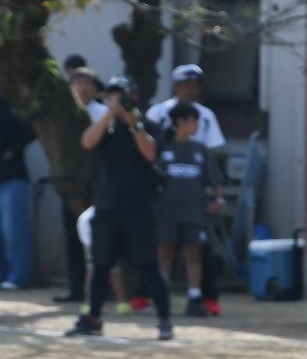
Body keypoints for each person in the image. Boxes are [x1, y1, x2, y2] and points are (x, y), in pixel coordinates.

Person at [69, 75, 173, 340]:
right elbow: (87, 142)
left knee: (148, 265)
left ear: (134, 97)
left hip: (139, 209)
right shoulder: (107, 127)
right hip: (107, 208)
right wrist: (108, 116)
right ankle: (92, 318)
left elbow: (150, 154)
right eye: (112, 96)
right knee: (101, 265)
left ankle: (164, 320)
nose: (117, 100)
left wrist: (134, 123)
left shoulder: (148, 125)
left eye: (121, 95)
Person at [144, 64, 228, 316]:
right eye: (185, 85)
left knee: (197, 251)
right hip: (167, 201)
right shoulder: (158, 113)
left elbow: (215, 153)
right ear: (174, 85)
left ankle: (200, 297)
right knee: (162, 249)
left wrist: (217, 195)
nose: (190, 90)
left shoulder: (205, 116)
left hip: (194, 198)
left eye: (195, 85)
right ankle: (157, 296)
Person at [53, 68, 108, 305]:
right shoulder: (64, 116)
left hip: (100, 186)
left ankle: (107, 290)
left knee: (106, 240)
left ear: (96, 89)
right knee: (74, 239)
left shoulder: (105, 114)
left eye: (88, 84)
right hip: (72, 186)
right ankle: (77, 289)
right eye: (78, 83)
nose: (83, 88)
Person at [0, 97, 35, 289]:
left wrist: (14, 148)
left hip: (13, 179)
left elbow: (31, 131)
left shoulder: (10, 115)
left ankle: (17, 277)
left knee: (14, 230)